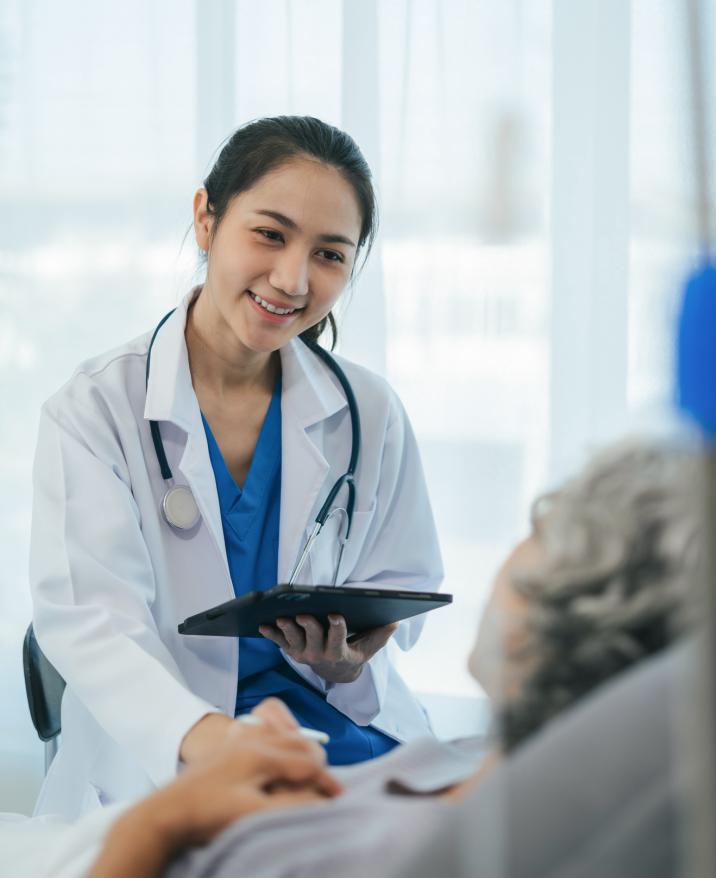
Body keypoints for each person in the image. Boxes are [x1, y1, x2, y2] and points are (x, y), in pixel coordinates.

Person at [11, 439, 716, 876]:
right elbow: (85, 618)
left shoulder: (409, 853)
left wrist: (167, 815)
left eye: (542, 526)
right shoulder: (478, 762)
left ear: (564, 596)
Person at [28, 115, 443, 819]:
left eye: (330, 254)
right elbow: (91, 625)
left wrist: (352, 655)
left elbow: (406, 587)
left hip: (331, 733)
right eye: (270, 234)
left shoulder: (368, 409)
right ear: (206, 219)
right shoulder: (97, 409)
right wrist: (213, 740)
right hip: (172, 751)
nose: (292, 278)